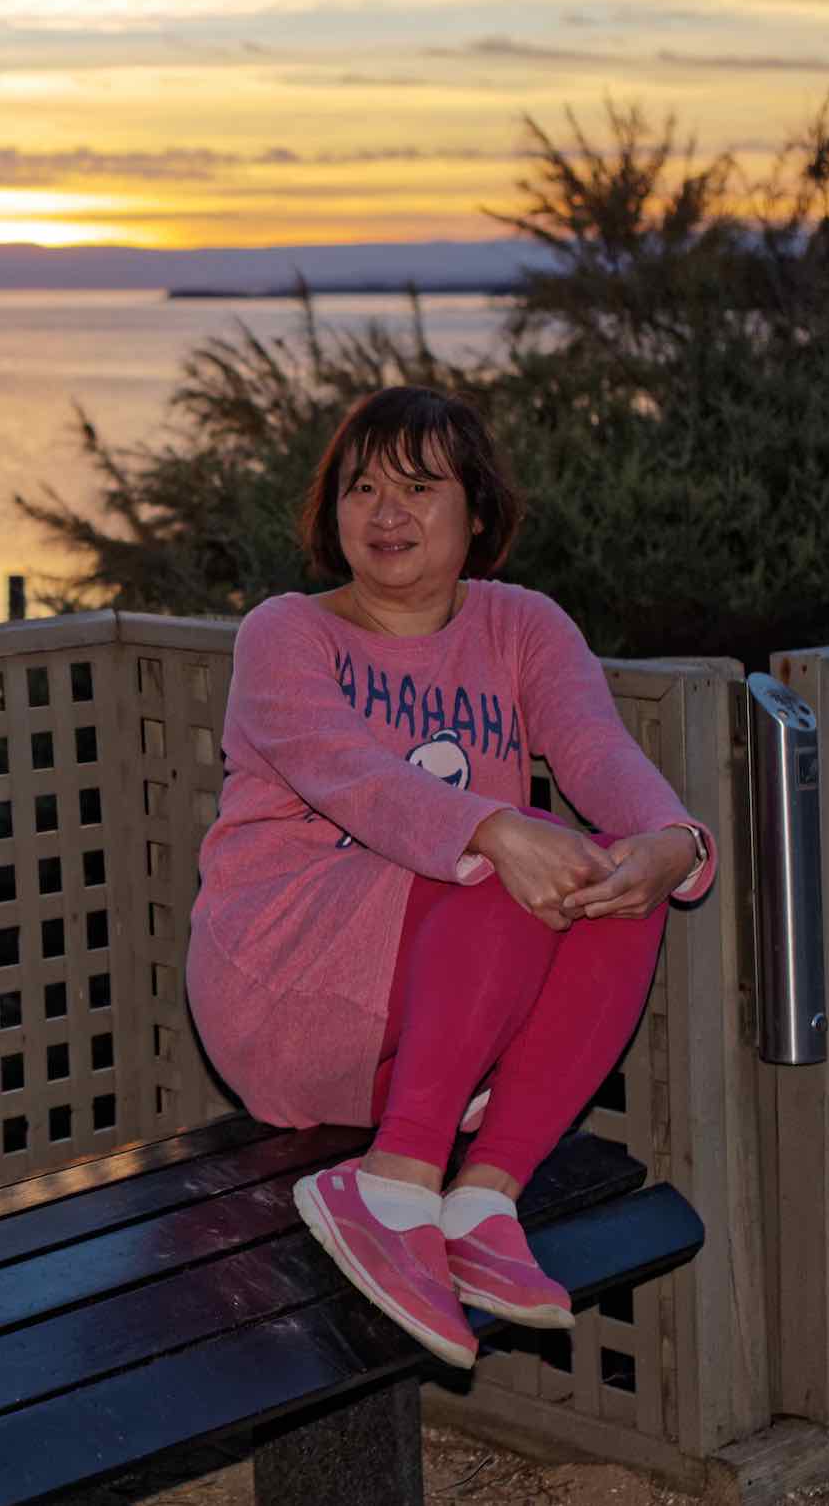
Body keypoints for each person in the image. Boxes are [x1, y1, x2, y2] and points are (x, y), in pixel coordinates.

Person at [185, 385, 714, 1370]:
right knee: (508, 859)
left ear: (476, 512)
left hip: (438, 1016)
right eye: (361, 488)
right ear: (329, 512)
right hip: (282, 987)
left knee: (607, 885)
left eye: (419, 488)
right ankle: (388, 1184)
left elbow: (595, 751)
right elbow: (356, 776)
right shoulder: (286, 633)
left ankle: (481, 1198)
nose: (385, 513)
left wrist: (669, 842)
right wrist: (497, 827)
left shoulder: (521, 626)